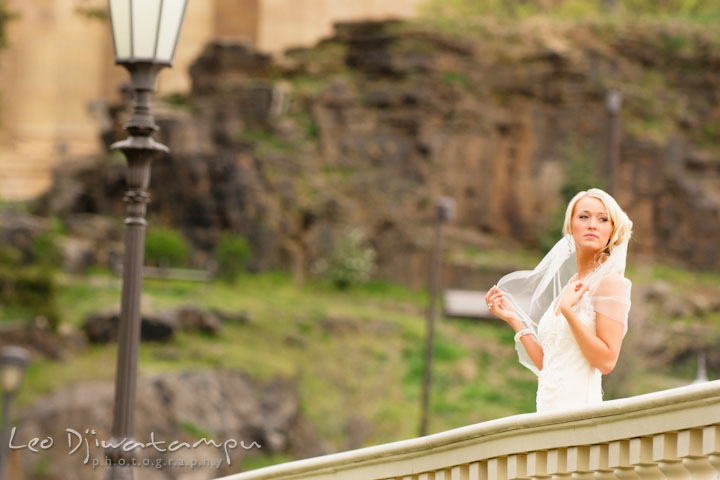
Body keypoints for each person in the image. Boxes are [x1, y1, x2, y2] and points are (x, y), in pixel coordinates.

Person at [484, 188, 633, 412]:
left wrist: (568, 312)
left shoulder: (610, 283)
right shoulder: (571, 285)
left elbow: (606, 361)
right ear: (571, 227)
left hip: (580, 413)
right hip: (546, 413)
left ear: (612, 231)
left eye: (603, 219)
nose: (592, 224)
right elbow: (548, 364)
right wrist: (514, 320)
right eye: (584, 217)